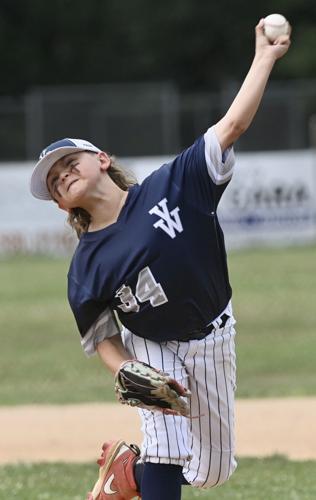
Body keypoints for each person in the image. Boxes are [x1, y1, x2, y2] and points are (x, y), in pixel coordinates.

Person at [30, 19, 291, 500]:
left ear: (101, 159)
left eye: (70, 163)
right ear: (62, 206)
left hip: (213, 334)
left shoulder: (173, 184)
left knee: (212, 472)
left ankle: (128, 470)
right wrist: (126, 370)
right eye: (54, 181)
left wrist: (265, 57)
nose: (63, 175)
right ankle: (148, 464)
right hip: (150, 342)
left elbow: (231, 125)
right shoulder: (86, 266)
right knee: (167, 444)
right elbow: (102, 334)